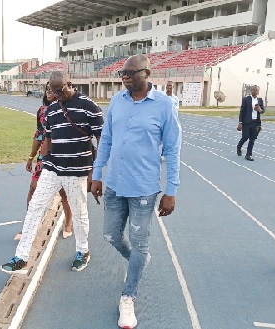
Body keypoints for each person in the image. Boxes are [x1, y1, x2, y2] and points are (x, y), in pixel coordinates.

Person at [90, 54, 182, 329]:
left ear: (147, 73)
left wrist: (171, 190)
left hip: (144, 188)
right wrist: (97, 174)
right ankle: (138, 261)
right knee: (110, 236)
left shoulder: (165, 106)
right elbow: (105, 139)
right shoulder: (118, 100)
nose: (125, 77)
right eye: (122, 73)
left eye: (131, 73)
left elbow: (174, 150)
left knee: (140, 242)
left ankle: (128, 296)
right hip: (115, 184)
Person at [0, 71, 103, 274]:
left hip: (77, 170)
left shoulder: (88, 106)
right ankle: (21, 257)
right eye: (53, 91)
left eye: (60, 90)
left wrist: (95, 173)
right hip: (53, 167)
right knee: (35, 207)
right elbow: (48, 138)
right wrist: (42, 162)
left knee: (79, 212)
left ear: (70, 84)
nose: (57, 95)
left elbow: (103, 139)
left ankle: (83, 251)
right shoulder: (52, 110)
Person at [14, 82, 73, 240]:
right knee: (33, 188)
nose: (48, 92)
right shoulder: (42, 111)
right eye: (47, 89)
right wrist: (31, 157)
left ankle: (68, 223)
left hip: (63, 156)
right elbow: (39, 134)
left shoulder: (69, 109)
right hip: (44, 156)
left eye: (52, 90)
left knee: (63, 192)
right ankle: (29, 226)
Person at [236, 85, 265, 161]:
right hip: (247, 122)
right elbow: (242, 111)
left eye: (255, 90)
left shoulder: (260, 100)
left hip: (255, 123)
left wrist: (259, 110)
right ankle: (239, 146)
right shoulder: (246, 99)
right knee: (245, 137)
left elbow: (263, 111)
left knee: (252, 139)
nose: (253, 91)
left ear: (258, 91)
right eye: (252, 90)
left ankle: (248, 154)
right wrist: (240, 122)